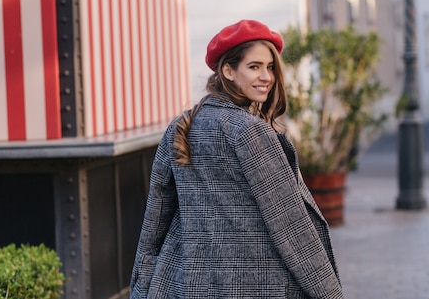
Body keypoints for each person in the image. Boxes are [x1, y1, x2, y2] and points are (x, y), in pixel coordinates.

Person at [129, 20, 343, 299]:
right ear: (228, 71)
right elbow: (290, 224)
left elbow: (155, 219)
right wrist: (329, 294)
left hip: (190, 281)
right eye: (254, 67)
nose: (266, 76)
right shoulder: (249, 131)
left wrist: (141, 286)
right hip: (256, 282)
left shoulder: (181, 125)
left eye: (269, 67)